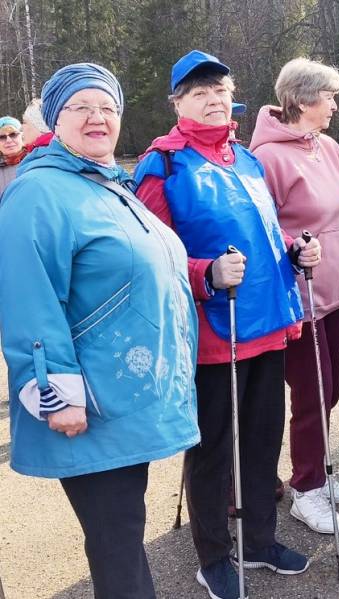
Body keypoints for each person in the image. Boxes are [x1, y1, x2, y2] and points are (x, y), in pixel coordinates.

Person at [0, 62, 199, 599]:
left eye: (108, 107)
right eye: (80, 107)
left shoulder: (107, 184)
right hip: (87, 401)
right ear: (54, 120)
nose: (97, 118)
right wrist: (54, 390)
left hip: (120, 394)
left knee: (125, 537)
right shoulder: (38, 193)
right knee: (116, 543)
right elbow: (28, 299)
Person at [133, 50, 318, 599]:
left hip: (268, 321)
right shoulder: (163, 163)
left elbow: (262, 236)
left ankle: (259, 541)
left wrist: (293, 250)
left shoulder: (245, 158)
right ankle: (213, 554)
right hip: (216, 331)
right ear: (178, 103)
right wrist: (204, 272)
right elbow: (151, 256)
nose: (212, 100)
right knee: (213, 449)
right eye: (198, 93)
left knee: (264, 440)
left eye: (219, 90)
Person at [249, 57, 339, 535]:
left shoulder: (329, 148)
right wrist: (295, 247)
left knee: (329, 390)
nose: (336, 105)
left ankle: (317, 471)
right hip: (300, 298)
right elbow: (263, 228)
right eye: (330, 97)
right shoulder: (268, 157)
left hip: (337, 293)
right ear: (302, 100)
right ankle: (306, 489)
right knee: (311, 393)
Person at [0, 116, 26, 195]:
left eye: (13, 134)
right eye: (2, 137)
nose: (8, 140)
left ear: (22, 136)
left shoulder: (36, 161)